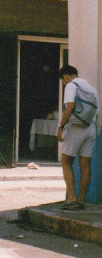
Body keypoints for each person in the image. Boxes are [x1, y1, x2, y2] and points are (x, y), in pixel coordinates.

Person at [57, 65, 100, 210]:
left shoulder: (71, 85)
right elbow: (96, 112)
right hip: (91, 128)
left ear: (66, 77)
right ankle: (81, 200)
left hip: (76, 128)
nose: (64, 83)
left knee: (66, 161)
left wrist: (61, 127)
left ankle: (71, 198)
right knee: (85, 165)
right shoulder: (92, 89)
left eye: (63, 81)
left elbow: (69, 107)